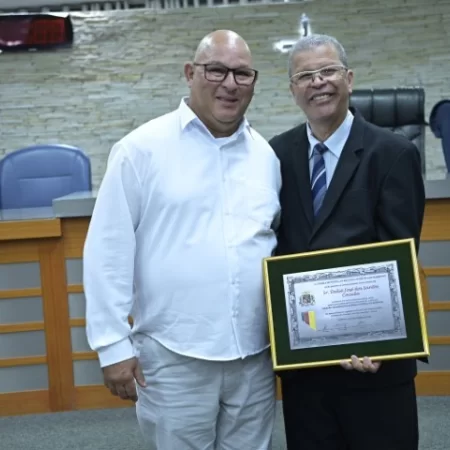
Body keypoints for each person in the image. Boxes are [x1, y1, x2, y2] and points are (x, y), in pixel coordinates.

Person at [82, 30, 281, 450]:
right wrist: (111, 345)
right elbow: (107, 251)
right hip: (173, 356)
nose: (230, 84)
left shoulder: (265, 156)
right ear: (190, 73)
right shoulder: (140, 150)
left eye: (242, 74)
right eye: (217, 70)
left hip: (254, 355)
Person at [269, 34, 425, 450]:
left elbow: (401, 255)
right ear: (293, 90)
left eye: (328, 71)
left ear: (349, 79)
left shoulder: (393, 153)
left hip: (373, 366)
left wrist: (381, 341)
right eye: (305, 76)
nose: (318, 82)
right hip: (306, 368)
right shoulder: (275, 155)